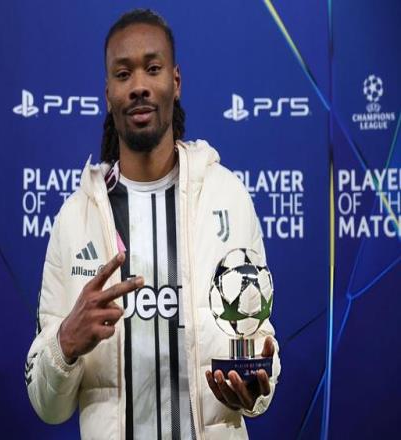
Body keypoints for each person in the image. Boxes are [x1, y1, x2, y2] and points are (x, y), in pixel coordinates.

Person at [25, 8, 280, 439]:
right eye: (123, 74)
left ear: (175, 82)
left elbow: (259, 341)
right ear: (108, 94)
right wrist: (64, 342)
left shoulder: (227, 196)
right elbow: (46, 406)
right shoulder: (75, 219)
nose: (139, 85)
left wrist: (254, 391)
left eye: (153, 68)